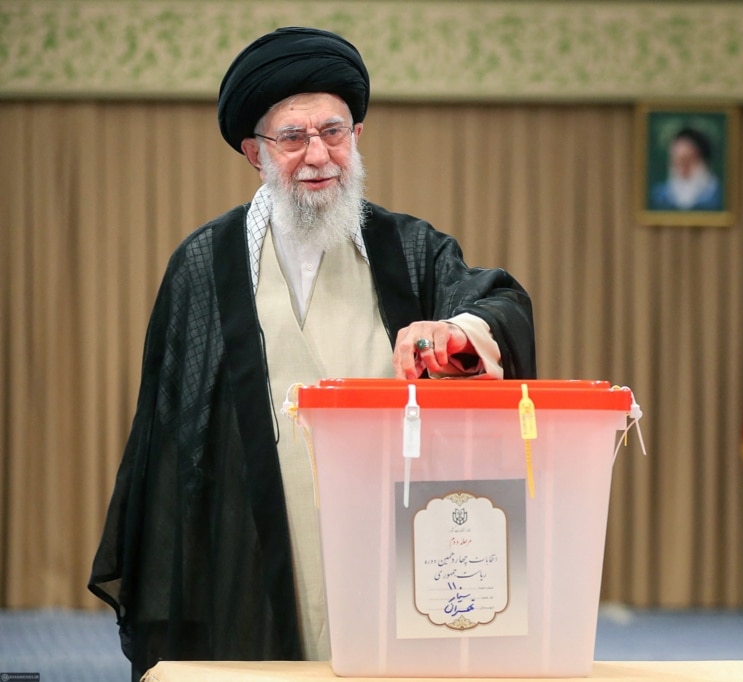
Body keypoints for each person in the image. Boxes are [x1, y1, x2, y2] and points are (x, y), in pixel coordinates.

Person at [87, 26, 536, 681]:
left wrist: (458, 332)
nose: (318, 154)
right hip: (258, 531)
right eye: (292, 138)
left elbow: (496, 300)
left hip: (388, 522)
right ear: (254, 153)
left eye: (333, 131)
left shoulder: (408, 248)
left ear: (357, 137)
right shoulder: (202, 264)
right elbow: (169, 438)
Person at [648, 127, 723, 211]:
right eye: (676, 162)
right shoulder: (659, 196)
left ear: (702, 162)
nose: (681, 169)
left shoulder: (720, 196)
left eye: (686, 161)